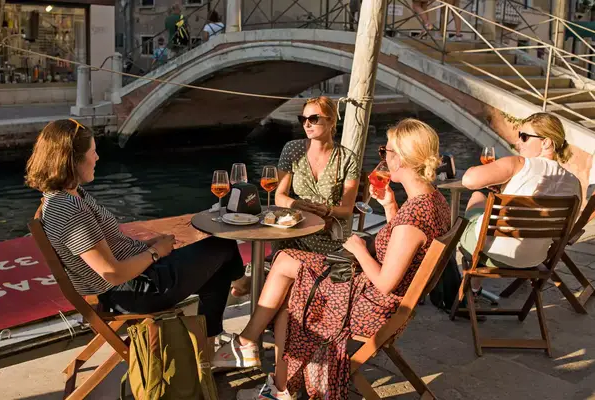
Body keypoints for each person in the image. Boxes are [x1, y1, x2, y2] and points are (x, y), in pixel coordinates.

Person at [214, 119, 451, 400]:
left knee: (290, 287)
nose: (383, 158)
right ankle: (261, 361)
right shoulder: (433, 200)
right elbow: (404, 247)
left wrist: (360, 249)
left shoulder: (413, 219)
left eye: (385, 152)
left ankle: (272, 379)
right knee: (287, 264)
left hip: (374, 307)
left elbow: (386, 282)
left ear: (400, 159)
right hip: (383, 300)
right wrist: (389, 205)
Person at [25, 119, 249, 353]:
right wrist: (155, 252)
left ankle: (211, 345)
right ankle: (237, 287)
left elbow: (107, 249)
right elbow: (112, 273)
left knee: (213, 251)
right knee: (220, 245)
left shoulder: (68, 195)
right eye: (93, 152)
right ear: (72, 160)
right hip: (134, 291)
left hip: (137, 276)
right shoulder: (69, 210)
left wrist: (147, 245)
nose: (98, 158)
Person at [460, 112, 581, 294]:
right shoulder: (574, 183)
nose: (518, 143)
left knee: (478, 197)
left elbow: (468, 180)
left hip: (493, 254)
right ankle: (476, 288)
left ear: (546, 142)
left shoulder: (518, 163)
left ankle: (472, 289)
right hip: (534, 260)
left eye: (524, 137)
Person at [273, 96, 361, 254]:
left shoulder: (347, 158)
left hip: (329, 235)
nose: (306, 124)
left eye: (313, 119)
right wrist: (295, 204)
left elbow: (347, 209)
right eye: (303, 119)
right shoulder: (292, 150)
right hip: (295, 230)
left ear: (331, 120)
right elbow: (279, 196)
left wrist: (328, 210)